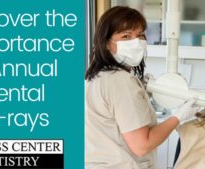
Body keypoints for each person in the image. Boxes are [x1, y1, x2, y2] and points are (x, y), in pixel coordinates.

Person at [85, 6, 198, 169]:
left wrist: (143, 95)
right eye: (126, 36)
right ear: (106, 43)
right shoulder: (119, 81)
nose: (136, 42)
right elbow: (142, 145)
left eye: (140, 35)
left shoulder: (98, 76)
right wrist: (179, 116)